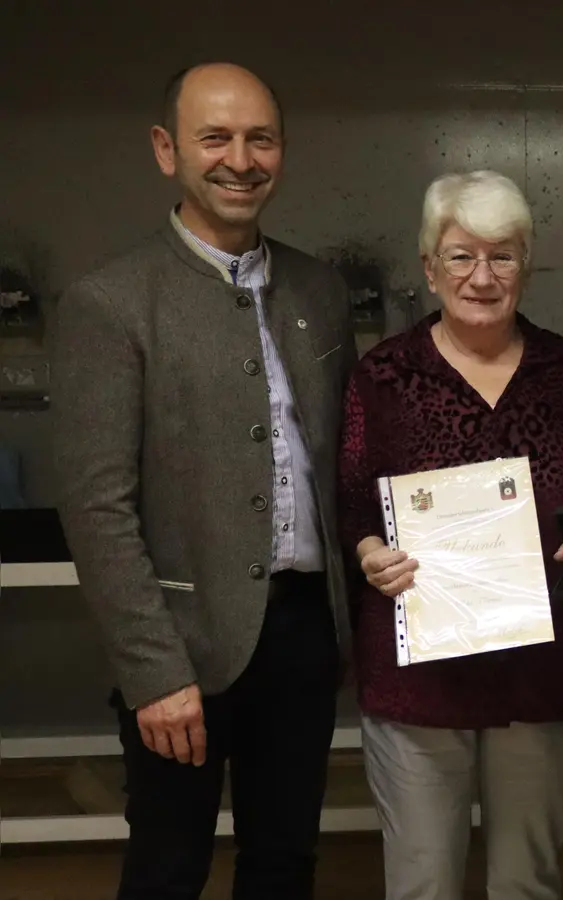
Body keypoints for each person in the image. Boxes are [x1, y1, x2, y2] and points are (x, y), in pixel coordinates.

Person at [50, 62, 354, 899]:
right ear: (165, 150)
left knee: (285, 863)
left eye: (261, 138)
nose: (240, 159)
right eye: (214, 138)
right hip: (180, 643)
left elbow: (345, 464)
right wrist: (153, 671)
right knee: (167, 869)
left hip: (302, 636)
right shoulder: (110, 303)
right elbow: (97, 508)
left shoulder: (320, 292)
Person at [337, 169, 563, 900]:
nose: (482, 276)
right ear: (430, 267)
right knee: (422, 884)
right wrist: (370, 552)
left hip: (539, 673)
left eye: (503, 255)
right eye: (461, 255)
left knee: (527, 882)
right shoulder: (383, 376)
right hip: (418, 683)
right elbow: (348, 504)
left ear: (526, 265)